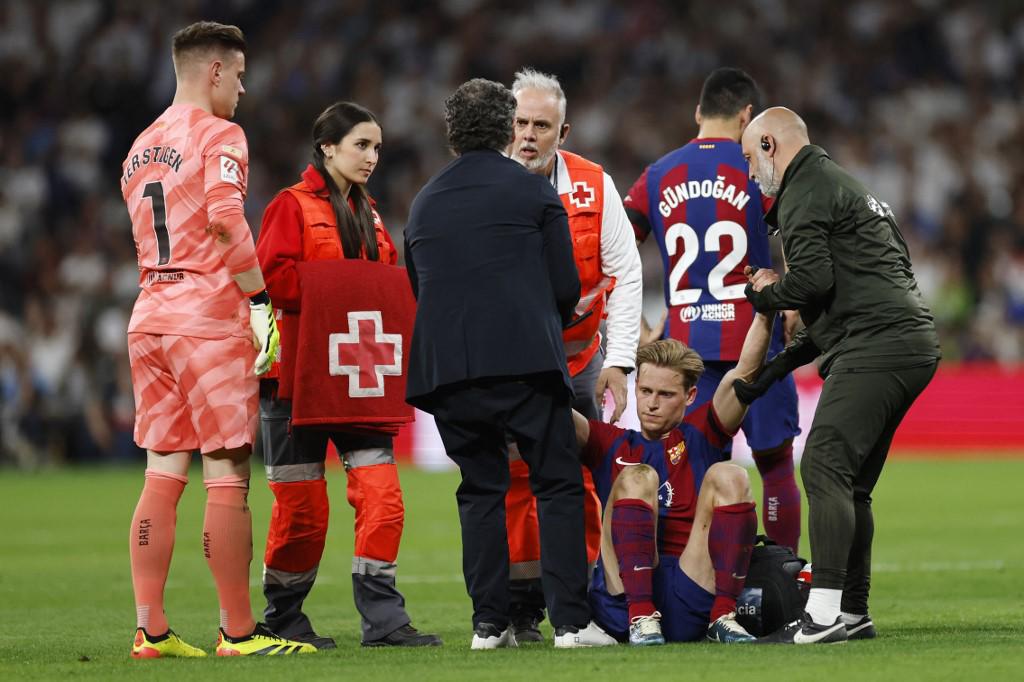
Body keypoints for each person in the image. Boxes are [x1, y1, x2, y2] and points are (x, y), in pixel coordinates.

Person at [121, 21, 312, 657]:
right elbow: (227, 222)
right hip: (206, 318)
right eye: (239, 74)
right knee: (228, 470)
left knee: (162, 469)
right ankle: (238, 632)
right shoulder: (220, 135)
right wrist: (259, 301)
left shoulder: (140, 145)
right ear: (214, 72)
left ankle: (150, 629)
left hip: (149, 314)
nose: (244, 88)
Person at [404, 78, 615, 650]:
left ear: (451, 135)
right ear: (505, 129)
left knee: (480, 489)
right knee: (557, 484)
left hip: (448, 370)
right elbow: (567, 288)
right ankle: (571, 623)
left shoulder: (423, 203)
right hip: (526, 364)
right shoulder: (533, 193)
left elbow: (420, 286)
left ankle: (488, 626)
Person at [738, 107, 941, 644]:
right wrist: (770, 373)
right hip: (906, 339)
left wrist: (762, 295)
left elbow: (810, 282)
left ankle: (824, 613)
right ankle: (852, 611)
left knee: (825, 464)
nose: (752, 173)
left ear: (769, 145)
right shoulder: (847, 186)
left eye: (749, 157)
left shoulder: (804, 189)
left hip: (877, 344)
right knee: (851, 486)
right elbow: (845, 295)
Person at [254, 102, 441, 649]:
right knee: (302, 510)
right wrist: (345, 284)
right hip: (295, 380)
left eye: (377, 147)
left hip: (360, 375)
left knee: (383, 498)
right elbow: (274, 280)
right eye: (362, 145)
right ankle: (283, 617)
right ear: (327, 147)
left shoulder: (372, 213)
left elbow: (382, 288)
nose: (372, 157)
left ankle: (384, 622)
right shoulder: (289, 207)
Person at [624, 67, 802, 556]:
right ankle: (786, 579)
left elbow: (610, 252)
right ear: (749, 115)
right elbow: (803, 231)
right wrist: (792, 296)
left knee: (694, 472)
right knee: (775, 467)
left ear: (699, 112)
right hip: (756, 341)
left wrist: (638, 330)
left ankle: (696, 585)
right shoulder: (759, 166)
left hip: (685, 354)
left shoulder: (657, 174)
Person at [502, 67, 643, 642]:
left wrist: (621, 360)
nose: (529, 135)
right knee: (513, 484)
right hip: (510, 364)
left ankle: (582, 597)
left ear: (564, 131)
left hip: (579, 359)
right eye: (521, 123)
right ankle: (516, 607)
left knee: (580, 481)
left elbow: (626, 272)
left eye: (542, 125)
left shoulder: (594, 183)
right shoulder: (488, 184)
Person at [581, 313, 775, 646]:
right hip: (623, 602)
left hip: (691, 591)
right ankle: (642, 617)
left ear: (689, 396)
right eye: (645, 390)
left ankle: (723, 617)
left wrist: (765, 312)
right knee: (638, 476)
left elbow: (744, 373)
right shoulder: (608, 441)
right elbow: (548, 415)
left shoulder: (700, 434)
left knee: (730, 474)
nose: (652, 404)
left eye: (666, 394)